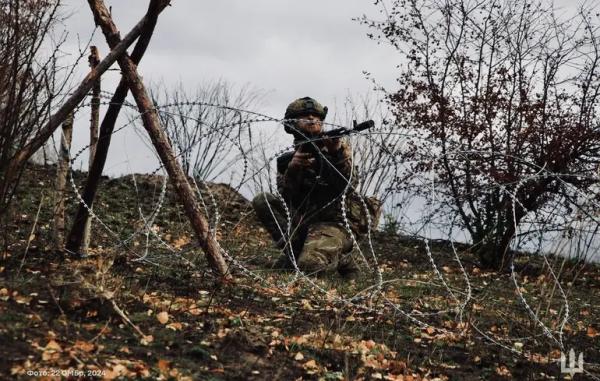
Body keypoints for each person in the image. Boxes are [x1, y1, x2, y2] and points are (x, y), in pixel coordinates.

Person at [252, 96, 380, 276]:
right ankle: (294, 252)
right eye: (305, 116)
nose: (312, 119)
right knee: (263, 200)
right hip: (307, 220)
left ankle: (343, 256)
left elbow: (348, 186)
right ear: (292, 125)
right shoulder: (292, 157)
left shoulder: (338, 149)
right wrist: (293, 170)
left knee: (310, 266)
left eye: (316, 116)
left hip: (336, 223)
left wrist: (335, 155)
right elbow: (287, 198)